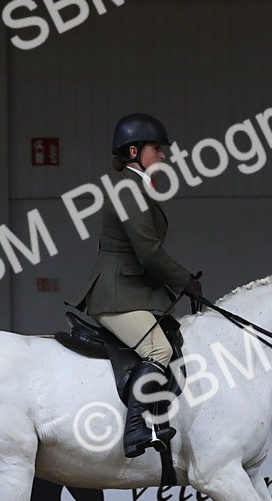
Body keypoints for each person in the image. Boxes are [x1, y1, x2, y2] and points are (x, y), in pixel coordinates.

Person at [73, 112, 203, 458]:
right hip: (116, 294)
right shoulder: (128, 190)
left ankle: (159, 418)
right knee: (158, 350)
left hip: (131, 291)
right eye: (156, 148)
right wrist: (185, 281)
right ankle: (135, 428)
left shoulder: (136, 188)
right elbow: (148, 252)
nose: (163, 154)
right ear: (134, 152)